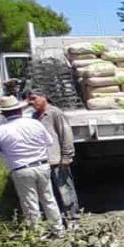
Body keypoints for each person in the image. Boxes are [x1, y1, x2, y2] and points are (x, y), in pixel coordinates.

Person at [0, 95, 64, 234]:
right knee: (49, 199)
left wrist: (2, 149)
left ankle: (37, 234)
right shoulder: (35, 123)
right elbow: (49, 141)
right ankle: (58, 230)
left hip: (21, 169)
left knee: (30, 203)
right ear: (19, 111)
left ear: (3, 113)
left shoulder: (0, 131)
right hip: (42, 165)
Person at [27, 90, 81, 227]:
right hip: (43, 161)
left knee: (65, 189)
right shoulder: (34, 116)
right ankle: (60, 218)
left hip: (57, 159)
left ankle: (74, 218)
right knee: (50, 193)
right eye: (29, 100)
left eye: (34, 98)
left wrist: (67, 156)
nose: (31, 102)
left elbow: (66, 134)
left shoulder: (55, 113)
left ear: (44, 97)